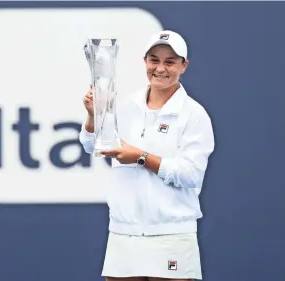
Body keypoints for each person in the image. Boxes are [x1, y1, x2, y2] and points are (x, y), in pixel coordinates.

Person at [79, 30, 215, 281]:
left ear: (184, 66)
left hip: (171, 235)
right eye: (154, 60)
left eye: (170, 62)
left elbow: (190, 174)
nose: (160, 68)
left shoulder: (194, 115)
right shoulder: (124, 106)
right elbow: (92, 146)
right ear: (145, 61)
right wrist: (92, 116)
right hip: (123, 232)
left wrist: (141, 157)